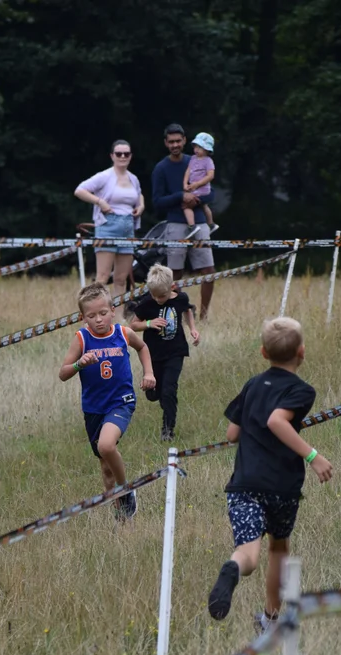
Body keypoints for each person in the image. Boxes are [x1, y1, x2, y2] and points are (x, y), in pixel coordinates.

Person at [207, 317, 333, 632]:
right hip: (283, 487)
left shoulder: (252, 385)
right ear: (302, 352)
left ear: (263, 353)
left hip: (245, 484)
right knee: (278, 547)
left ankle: (233, 568)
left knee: (248, 550)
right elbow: (278, 421)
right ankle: (272, 619)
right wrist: (313, 456)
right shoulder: (302, 391)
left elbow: (231, 434)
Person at [59, 282, 155, 521]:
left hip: (121, 401)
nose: (99, 320)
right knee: (105, 466)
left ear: (113, 311)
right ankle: (121, 516)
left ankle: (125, 489)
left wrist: (149, 373)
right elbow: (63, 373)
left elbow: (143, 347)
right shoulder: (81, 339)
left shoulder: (123, 333)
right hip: (93, 408)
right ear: (83, 317)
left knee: (107, 446)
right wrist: (80, 364)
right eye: (91, 316)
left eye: (103, 313)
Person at [126, 264, 199, 441]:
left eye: (162, 296)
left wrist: (193, 329)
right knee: (153, 394)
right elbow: (133, 325)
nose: (158, 299)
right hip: (153, 354)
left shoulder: (181, 298)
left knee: (169, 390)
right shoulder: (147, 303)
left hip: (176, 352)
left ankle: (168, 430)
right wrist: (149, 324)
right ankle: (157, 395)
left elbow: (187, 310)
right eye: (154, 295)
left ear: (172, 287)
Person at [152, 123, 217, 320]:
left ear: (185, 141)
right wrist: (181, 196)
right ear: (166, 143)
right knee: (174, 273)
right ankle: (175, 313)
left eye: (178, 141)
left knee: (208, 270)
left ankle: (203, 315)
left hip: (199, 222)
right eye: (171, 142)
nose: (175, 145)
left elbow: (210, 192)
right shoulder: (161, 168)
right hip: (175, 224)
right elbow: (157, 201)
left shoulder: (198, 161)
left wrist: (197, 199)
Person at [74, 139, 146, 303]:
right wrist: (100, 202)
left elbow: (139, 195)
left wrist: (141, 206)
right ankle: (94, 315)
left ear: (130, 156)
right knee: (102, 277)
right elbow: (80, 190)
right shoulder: (104, 176)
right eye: (118, 154)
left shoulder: (133, 178)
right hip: (107, 226)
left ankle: (119, 318)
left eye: (126, 154)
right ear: (112, 156)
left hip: (128, 228)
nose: (122, 156)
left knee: (121, 279)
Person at [183, 132, 216, 230]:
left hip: (202, 190)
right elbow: (188, 171)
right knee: (204, 206)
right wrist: (185, 183)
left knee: (186, 206)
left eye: (199, 147)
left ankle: (192, 226)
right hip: (193, 188)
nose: (196, 150)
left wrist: (197, 184)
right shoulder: (193, 158)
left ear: (206, 150)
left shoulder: (208, 161)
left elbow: (211, 176)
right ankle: (211, 224)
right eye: (195, 147)